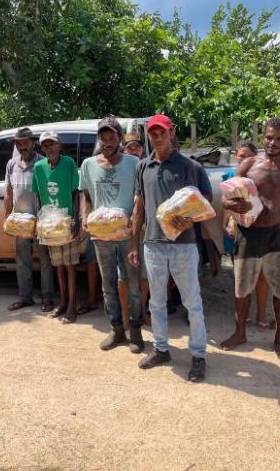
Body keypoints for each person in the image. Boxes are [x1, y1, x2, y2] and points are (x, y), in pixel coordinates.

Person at [129, 114, 208, 382]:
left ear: (171, 132)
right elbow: (139, 206)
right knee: (157, 302)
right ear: (148, 135)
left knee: (191, 302)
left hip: (183, 245)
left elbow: (205, 202)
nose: (157, 136)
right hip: (153, 245)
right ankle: (161, 349)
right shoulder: (142, 166)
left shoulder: (189, 166)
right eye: (153, 132)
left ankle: (198, 355)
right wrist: (134, 242)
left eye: (162, 131)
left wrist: (187, 221)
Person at [221, 118, 280, 356]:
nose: (273, 142)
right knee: (242, 288)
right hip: (249, 234)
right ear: (263, 137)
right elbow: (226, 196)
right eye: (269, 137)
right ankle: (240, 332)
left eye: (279, 138)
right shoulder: (248, 164)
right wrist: (232, 206)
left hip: (279, 234)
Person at [80, 117, 144, 353]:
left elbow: (139, 199)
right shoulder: (88, 164)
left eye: (111, 137)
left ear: (119, 138)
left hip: (127, 235)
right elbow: (85, 195)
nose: (107, 142)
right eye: (103, 138)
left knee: (132, 284)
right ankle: (116, 329)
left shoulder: (134, 163)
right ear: (99, 139)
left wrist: (134, 226)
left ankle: (135, 330)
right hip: (101, 236)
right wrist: (84, 217)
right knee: (107, 285)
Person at [32, 131, 81, 324]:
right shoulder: (38, 167)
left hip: (66, 222)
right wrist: (39, 221)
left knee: (70, 266)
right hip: (50, 226)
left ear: (59, 145)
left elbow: (75, 192)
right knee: (58, 265)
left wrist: (76, 218)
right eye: (45, 145)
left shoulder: (68, 163)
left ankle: (72, 307)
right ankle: (63, 303)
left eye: (52, 144)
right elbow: (36, 195)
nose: (49, 148)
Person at [4, 127, 54, 312]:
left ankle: (47, 298)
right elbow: (8, 193)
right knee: (22, 260)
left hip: (40, 220)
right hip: (20, 222)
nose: (22, 146)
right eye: (18, 143)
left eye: (25, 142)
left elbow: (47, 193)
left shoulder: (43, 163)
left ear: (33, 143)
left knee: (45, 260)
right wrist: (7, 218)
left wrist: (43, 219)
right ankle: (25, 298)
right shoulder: (11, 164)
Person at [222, 141, 271, 330]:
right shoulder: (228, 177)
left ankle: (261, 315)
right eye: (241, 155)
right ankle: (242, 316)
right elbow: (225, 205)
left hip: (260, 231)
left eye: (249, 156)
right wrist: (225, 225)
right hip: (238, 231)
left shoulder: (260, 177)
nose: (244, 159)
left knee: (261, 276)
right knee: (240, 276)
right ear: (236, 155)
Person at [119, 133, 150, 325]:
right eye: (129, 147)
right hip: (123, 229)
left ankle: (141, 312)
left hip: (146, 228)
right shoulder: (120, 167)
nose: (134, 150)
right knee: (124, 275)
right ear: (123, 149)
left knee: (144, 275)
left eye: (137, 147)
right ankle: (124, 315)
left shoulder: (147, 167)